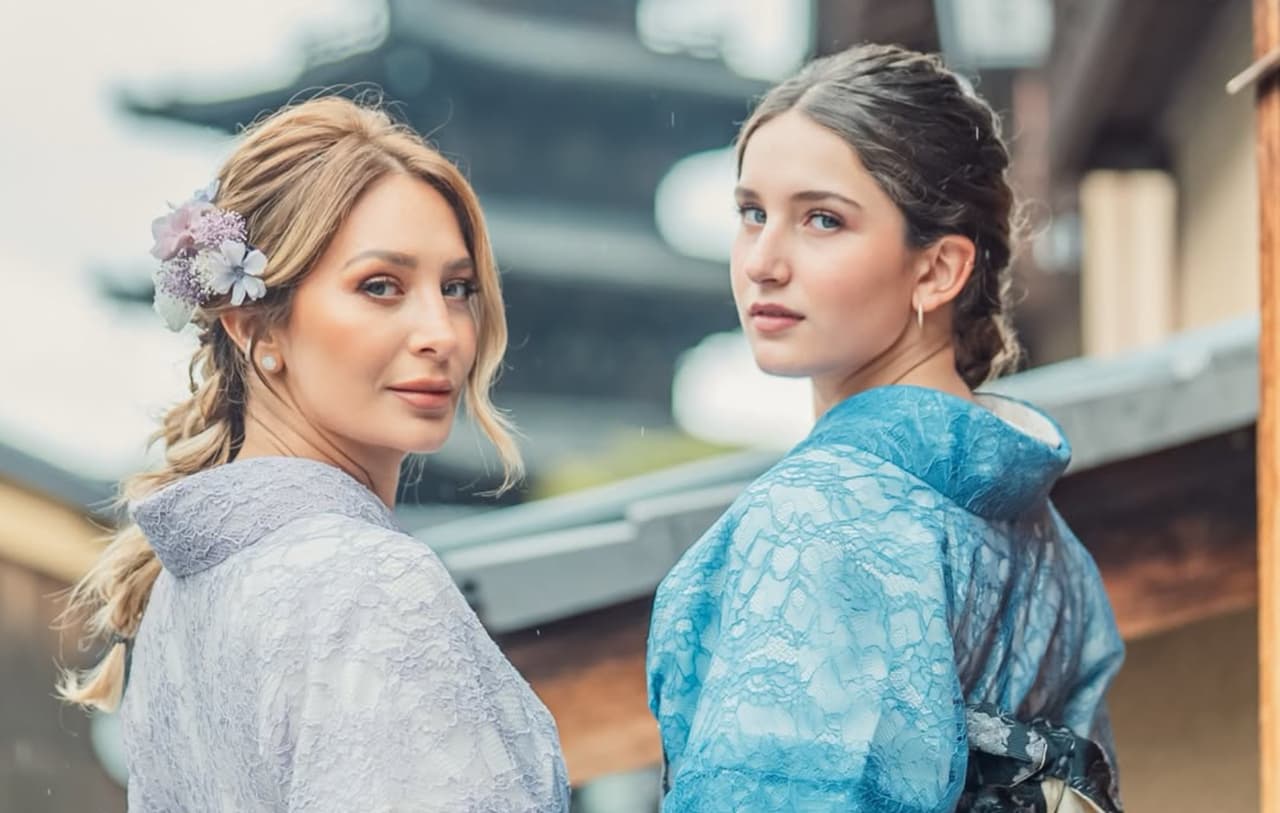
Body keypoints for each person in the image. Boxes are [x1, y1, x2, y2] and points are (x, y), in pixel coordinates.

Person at [646, 44, 1124, 812]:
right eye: (752, 214)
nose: (763, 261)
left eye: (822, 219)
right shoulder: (1052, 549)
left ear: (937, 269)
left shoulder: (819, 515)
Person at [59, 96, 570, 812]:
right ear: (255, 327)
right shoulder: (368, 582)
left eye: (457, 289)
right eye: (381, 286)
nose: (444, 333)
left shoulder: (182, 597)